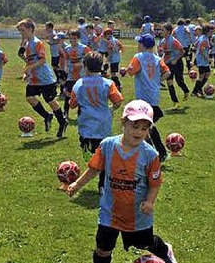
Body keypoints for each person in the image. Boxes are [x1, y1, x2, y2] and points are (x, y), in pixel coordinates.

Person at [66, 99, 177, 263]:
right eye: (135, 126)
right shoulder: (108, 145)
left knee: (145, 244)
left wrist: (150, 202)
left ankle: (165, 250)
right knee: (103, 248)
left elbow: (154, 183)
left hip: (137, 213)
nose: (139, 132)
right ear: (123, 122)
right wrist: (77, 184)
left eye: (144, 128)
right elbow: (94, 169)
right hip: (110, 211)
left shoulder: (150, 154)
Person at [69, 52, 123, 191]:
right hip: (103, 125)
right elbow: (118, 100)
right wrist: (110, 109)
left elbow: (72, 104)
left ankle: (94, 167)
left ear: (85, 67)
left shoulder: (79, 84)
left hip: (86, 125)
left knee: (91, 154)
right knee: (104, 155)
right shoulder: (108, 83)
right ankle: (102, 185)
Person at [17, 18, 68, 139]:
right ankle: (47, 116)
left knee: (51, 101)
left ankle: (62, 122)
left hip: (45, 79)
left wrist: (30, 68)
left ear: (30, 29)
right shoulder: (28, 43)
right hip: (34, 79)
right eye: (20, 31)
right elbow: (29, 60)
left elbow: (43, 60)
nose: (21, 33)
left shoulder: (37, 43)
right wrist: (27, 71)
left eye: (22, 30)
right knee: (30, 98)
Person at [126, 33, 170, 162]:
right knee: (147, 125)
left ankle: (157, 152)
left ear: (143, 45)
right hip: (154, 96)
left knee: (145, 126)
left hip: (143, 97)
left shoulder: (138, 57)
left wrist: (126, 69)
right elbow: (167, 72)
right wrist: (157, 81)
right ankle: (156, 152)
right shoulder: (157, 59)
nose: (137, 45)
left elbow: (131, 72)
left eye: (139, 43)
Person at [159, 22, 189, 108]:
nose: (161, 31)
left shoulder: (174, 41)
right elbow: (163, 53)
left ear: (168, 32)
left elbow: (182, 52)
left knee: (179, 82)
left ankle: (186, 91)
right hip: (168, 64)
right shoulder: (162, 41)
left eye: (163, 30)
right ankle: (175, 102)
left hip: (177, 63)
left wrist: (175, 59)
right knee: (169, 83)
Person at [62, 29, 91, 119]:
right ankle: (65, 113)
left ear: (78, 38)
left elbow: (89, 60)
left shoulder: (84, 48)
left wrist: (81, 64)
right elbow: (66, 59)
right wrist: (66, 67)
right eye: (70, 38)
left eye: (74, 38)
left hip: (81, 76)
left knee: (81, 95)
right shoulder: (67, 49)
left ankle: (80, 114)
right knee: (68, 93)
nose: (72, 41)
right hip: (71, 75)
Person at [191, 25, 212, 98]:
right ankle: (195, 91)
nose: (211, 33)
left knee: (208, 73)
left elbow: (195, 45)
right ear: (207, 32)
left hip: (201, 60)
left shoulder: (202, 37)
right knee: (201, 76)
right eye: (210, 31)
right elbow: (202, 51)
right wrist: (208, 58)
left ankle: (199, 89)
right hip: (202, 60)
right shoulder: (204, 39)